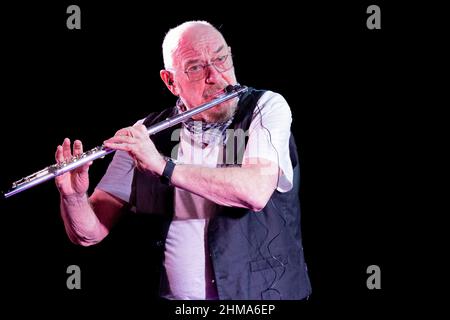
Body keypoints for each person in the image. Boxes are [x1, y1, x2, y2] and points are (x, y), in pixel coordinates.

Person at [55, 20, 311, 300]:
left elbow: (255, 192)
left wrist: (163, 166)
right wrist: (74, 197)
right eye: (195, 67)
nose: (215, 75)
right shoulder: (146, 134)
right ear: (171, 81)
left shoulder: (265, 108)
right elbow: (89, 234)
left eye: (221, 58)